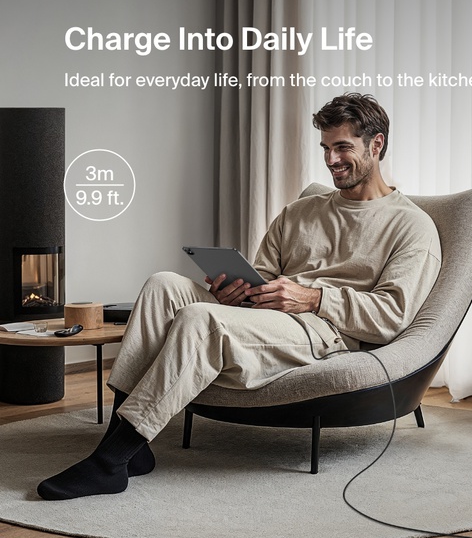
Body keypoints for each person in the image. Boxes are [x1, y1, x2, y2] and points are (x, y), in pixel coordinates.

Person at [37, 93, 442, 500]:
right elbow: (263, 277)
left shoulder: (411, 227)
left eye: (342, 148)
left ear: (377, 145)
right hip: (270, 315)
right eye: (325, 148)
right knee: (163, 285)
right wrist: (235, 291)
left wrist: (313, 298)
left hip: (324, 332)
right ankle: (132, 449)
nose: (331, 160)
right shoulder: (300, 212)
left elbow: (393, 315)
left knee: (201, 320)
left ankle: (111, 461)